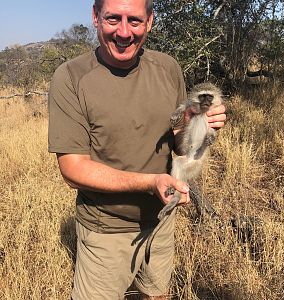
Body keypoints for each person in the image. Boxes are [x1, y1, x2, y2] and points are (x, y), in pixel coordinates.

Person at [48, 0, 226, 299]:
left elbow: (178, 144)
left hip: (161, 220)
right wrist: (150, 182)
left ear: (150, 21)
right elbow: (73, 170)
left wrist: (200, 129)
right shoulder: (71, 78)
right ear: (95, 17)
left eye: (134, 20)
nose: (124, 32)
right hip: (106, 228)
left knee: (156, 294)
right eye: (112, 18)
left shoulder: (167, 67)